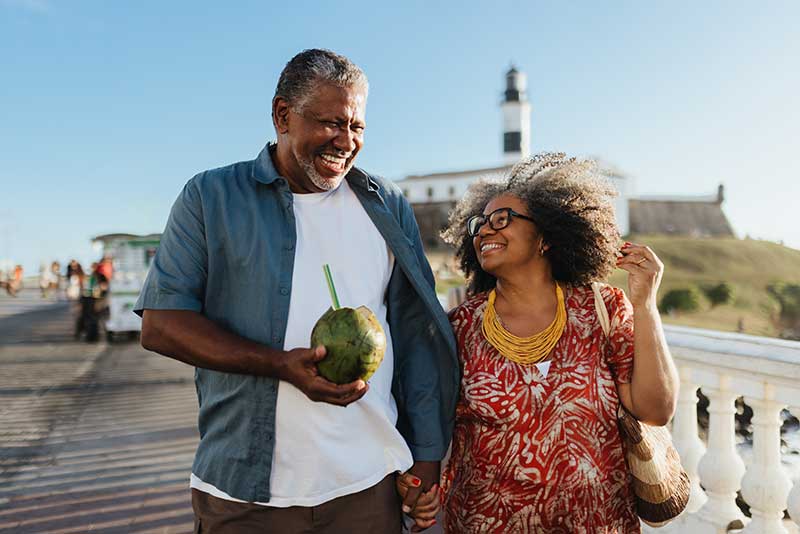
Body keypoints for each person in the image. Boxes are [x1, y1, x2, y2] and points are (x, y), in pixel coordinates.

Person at [135, 48, 458, 533]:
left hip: (367, 483)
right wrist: (278, 365)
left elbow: (414, 336)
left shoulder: (387, 205)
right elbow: (162, 325)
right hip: (244, 494)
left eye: (358, 127)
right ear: (282, 115)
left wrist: (427, 454)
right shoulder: (210, 197)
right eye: (330, 122)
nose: (345, 141)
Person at [423, 154, 679, 533]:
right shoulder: (461, 326)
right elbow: (430, 417)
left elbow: (656, 410)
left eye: (501, 219)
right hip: (486, 523)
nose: (484, 231)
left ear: (544, 237)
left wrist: (645, 305)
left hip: (598, 522)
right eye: (479, 223)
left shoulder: (599, 308)